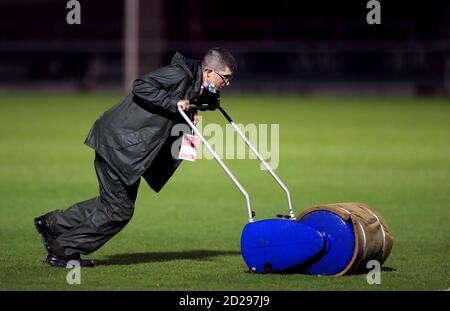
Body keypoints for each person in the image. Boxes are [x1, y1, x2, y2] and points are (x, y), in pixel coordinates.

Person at [34, 47, 237, 267]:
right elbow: (141, 86)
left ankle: (53, 224)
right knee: (119, 211)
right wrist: (173, 103)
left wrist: (205, 100)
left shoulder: (194, 83)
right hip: (119, 144)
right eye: (224, 78)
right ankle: (63, 251)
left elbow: (186, 102)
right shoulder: (179, 74)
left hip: (126, 146)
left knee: (111, 203)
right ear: (208, 72)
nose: (226, 84)